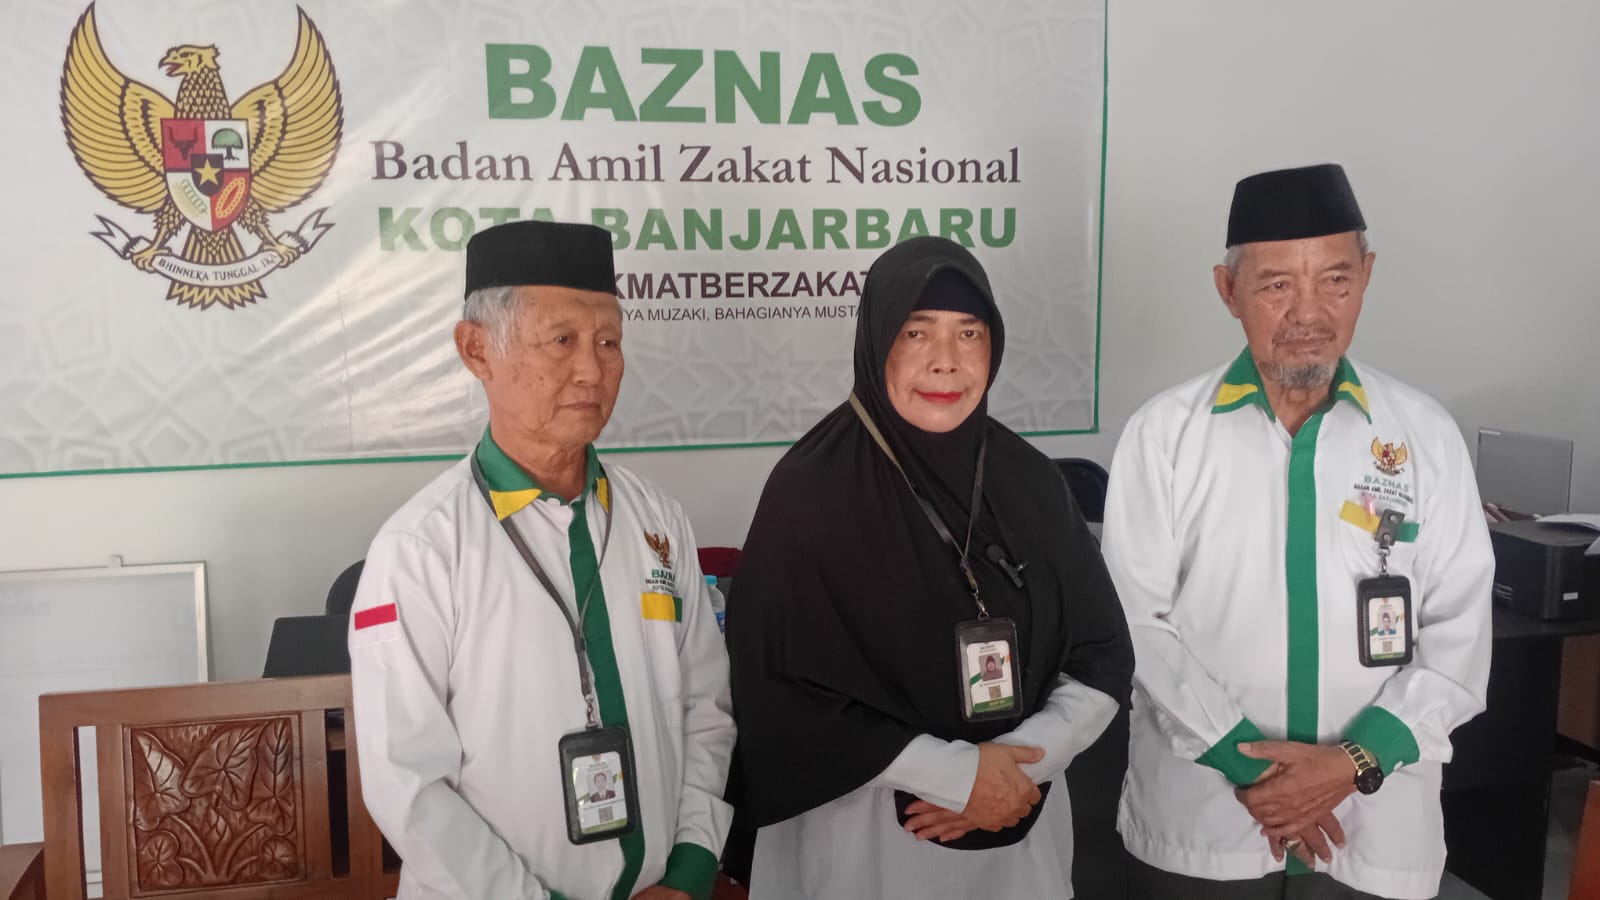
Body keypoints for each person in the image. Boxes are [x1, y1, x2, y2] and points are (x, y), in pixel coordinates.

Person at [1102, 164, 1493, 899]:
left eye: (1336, 280)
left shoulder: (1425, 436)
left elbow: (1459, 632)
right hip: (1206, 827)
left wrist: (1353, 762)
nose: (1308, 311)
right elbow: (1133, 622)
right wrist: (1253, 769)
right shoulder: (1164, 436)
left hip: (1372, 829)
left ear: (1367, 277)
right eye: (1277, 284)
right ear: (1228, 291)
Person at [728, 237, 1133, 899]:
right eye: (916, 332)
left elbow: (1102, 653)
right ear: (877, 340)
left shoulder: (1031, 483)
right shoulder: (810, 492)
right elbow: (779, 688)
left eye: (968, 333)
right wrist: (959, 778)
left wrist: (1017, 769)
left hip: (1017, 831)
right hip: (861, 847)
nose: (946, 360)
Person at [349, 220, 736, 900]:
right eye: (562, 340)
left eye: (608, 342)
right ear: (477, 350)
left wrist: (690, 868)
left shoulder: (658, 522)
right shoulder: (420, 549)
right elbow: (408, 784)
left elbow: (706, 711)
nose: (592, 369)